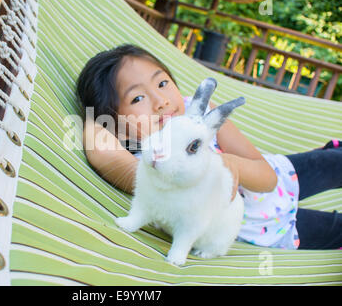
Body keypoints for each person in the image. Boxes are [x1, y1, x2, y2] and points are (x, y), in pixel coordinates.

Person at [76, 44, 342, 250]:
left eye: (162, 83)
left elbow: (268, 177)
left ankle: (330, 152)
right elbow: (101, 149)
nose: (161, 101)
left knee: (334, 163)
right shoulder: (151, 164)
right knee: (335, 229)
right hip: (272, 229)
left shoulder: (203, 115)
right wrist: (95, 115)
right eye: (137, 98)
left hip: (284, 176)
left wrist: (233, 166)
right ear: (114, 124)